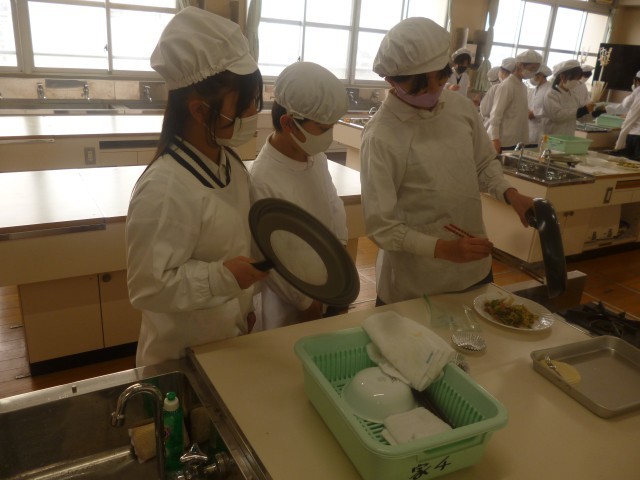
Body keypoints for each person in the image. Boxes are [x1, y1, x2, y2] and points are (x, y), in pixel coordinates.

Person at [126, 7, 268, 367]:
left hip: (226, 344)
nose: (253, 114)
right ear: (200, 111)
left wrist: (246, 305)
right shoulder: (164, 188)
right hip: (178, 358)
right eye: (244, 105)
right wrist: (223, 278)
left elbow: (237, 246)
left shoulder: (231, 165)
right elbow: (148, 286)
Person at [360, 17, 533, 304]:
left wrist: (510, 194)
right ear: (391, 80)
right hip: (416, 281)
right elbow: (382, 226)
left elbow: (482, 163)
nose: (432, 93)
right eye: (420, 89)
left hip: (473, 267)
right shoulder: (381, 135)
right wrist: (443, 249)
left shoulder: (460, 108)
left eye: (439, 82)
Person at [249, 61, 349, 329]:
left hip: (328, 283)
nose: (329, 136)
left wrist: (341, 268)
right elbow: (272, 258)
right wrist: (306, 304)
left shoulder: (316, 157)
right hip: (288, 304)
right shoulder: (263, 178)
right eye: (323, 129)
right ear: (289, 123)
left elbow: (333, 207)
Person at [488, 50, 542, 152]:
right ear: (520, 65)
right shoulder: (507, 85)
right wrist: (494, 138)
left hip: (518, 140)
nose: (533, 72)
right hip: (504, 140)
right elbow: (495, 115)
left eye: (536, 70)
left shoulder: (522, 86)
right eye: (532, 69)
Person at [542, 59, 602, 136]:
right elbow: (557, 116)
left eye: (578, 79)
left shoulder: (573, 96)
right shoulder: (551, 94)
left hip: (568, 137)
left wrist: (597, 112)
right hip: (552, 136)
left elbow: (582, 118)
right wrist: (583, 110)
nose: (577, 82)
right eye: (574, 78)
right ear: (562, 77)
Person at [479, 58, 515, 129]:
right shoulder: (519, 88)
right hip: (510, 126)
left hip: (493, 125)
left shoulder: (496, 88)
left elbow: (485, 111)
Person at [527, 64, 552, 145]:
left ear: (541, 75)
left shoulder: (550, 90)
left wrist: (534, 113)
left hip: (543, 130)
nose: (532, 78)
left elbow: (551, 109)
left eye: (534, 75)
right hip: (530, 130)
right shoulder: (533, 90)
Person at [614, 90, 640, 160]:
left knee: (627, 161)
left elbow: (626, 104)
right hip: (634, 133)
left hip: (634, 133)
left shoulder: (638, 91)